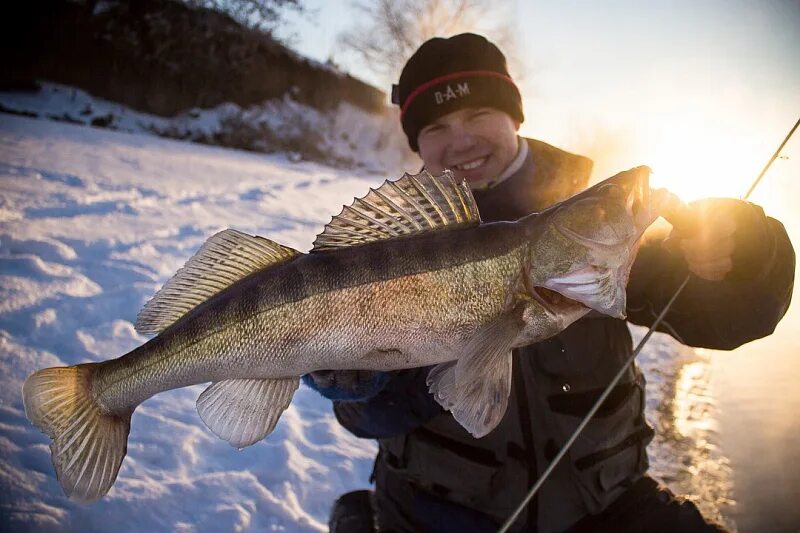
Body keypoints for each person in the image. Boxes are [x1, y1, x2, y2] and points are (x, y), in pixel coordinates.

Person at [303, 33, 796, 532]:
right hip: (433, 513)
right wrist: (365, 384)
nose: (461, 140)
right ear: (417, 142)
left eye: (478, 115)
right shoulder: (384, 248)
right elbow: (364, 423)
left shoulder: (594, 223)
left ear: (514, 117)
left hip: (608, 508)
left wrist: (745, 254)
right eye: (436, 126)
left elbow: (731, 319)